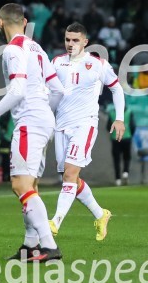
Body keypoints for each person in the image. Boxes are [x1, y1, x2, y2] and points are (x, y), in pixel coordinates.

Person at [0, 3, 65, 262]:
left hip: (30, 122)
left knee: (20, 184)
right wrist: (45, 114)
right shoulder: (37, 48)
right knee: (30, 184)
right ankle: (29, 246)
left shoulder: (12, 50)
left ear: (0, 23)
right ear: (24, 22)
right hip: (44, 121)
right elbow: (57, 90)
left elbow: (18, 90)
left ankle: (49, 246)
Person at [49, 22, 124, 241]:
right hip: (61, 125)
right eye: (67, 39)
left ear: (85, 42)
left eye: (75, 40)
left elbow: (116, 88)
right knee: (69, 177)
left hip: (85, 124)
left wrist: (119, 118)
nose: (70, 44)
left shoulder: (97, 63)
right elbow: (52, 95)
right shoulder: (57, 62)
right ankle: (101, 215)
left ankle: (55, 222)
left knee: (70, 174)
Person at [108, 106, 135, 186]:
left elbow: (108, 126)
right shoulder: (129, 112)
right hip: (127, 138)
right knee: (127, 157)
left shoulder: (112, 113)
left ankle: (118, 179)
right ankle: (125, 172)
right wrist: (130, 134)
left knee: (116, 159)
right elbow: (133, 126)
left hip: (115, 138)